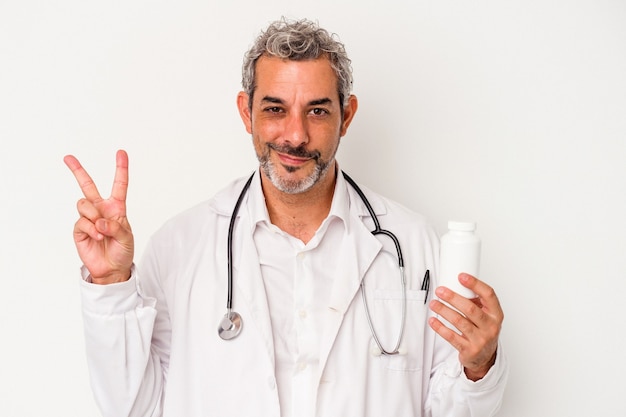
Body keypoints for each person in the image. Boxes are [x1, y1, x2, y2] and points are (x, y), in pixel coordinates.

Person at [64, 17, 507, 417]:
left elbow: (453, 410)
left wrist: (479, 365)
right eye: (275, 109)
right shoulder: (180, 246)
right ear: (246, 113)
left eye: (317, 110)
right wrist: (109, 285)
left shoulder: (414, 245)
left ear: (346, 116)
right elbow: (132, 407)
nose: (295, 135)